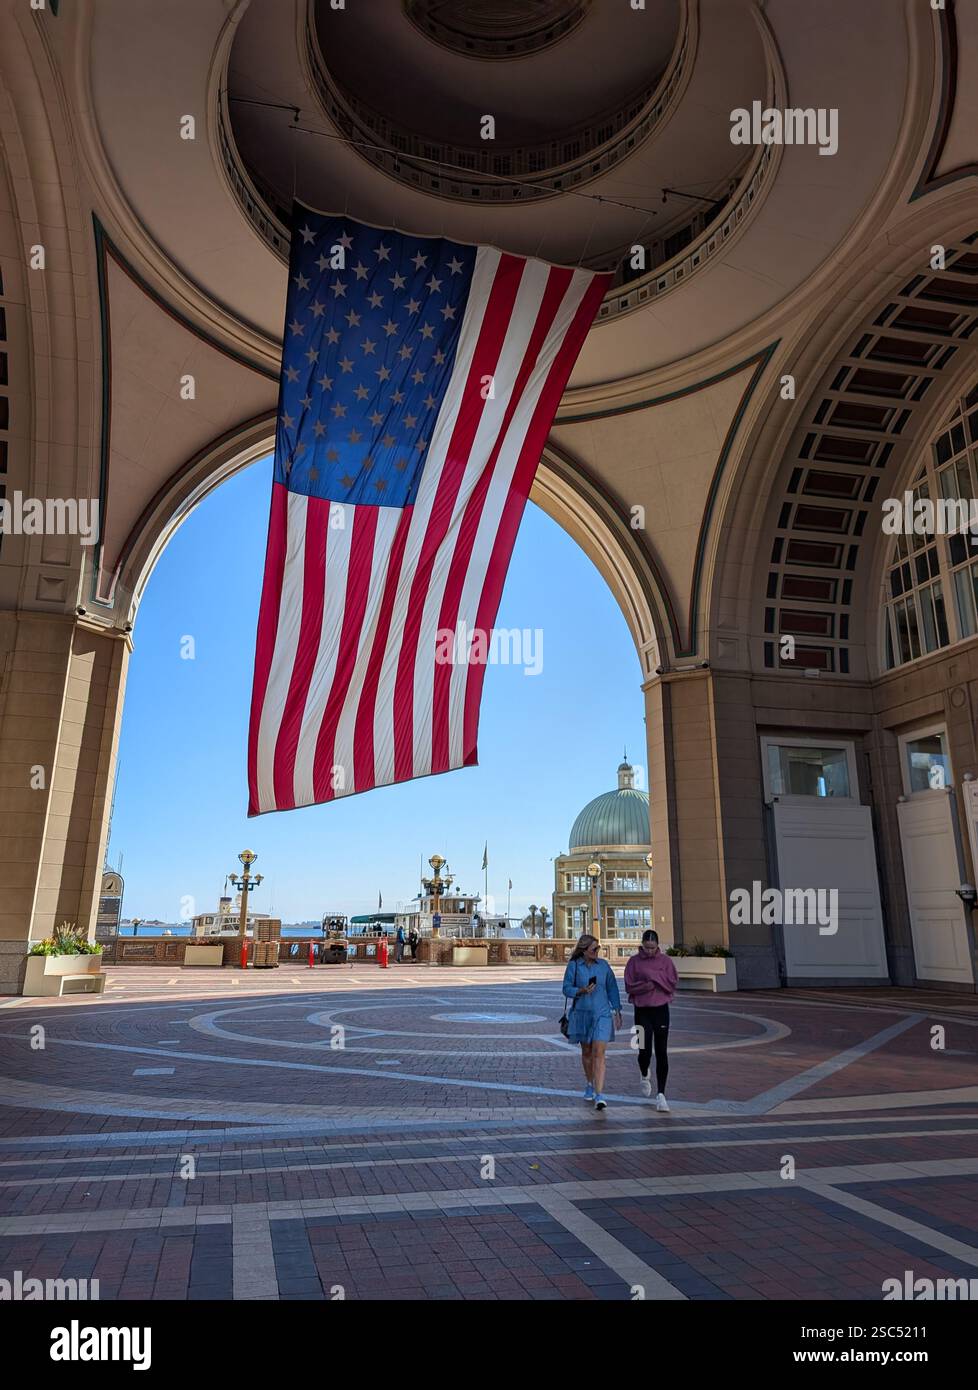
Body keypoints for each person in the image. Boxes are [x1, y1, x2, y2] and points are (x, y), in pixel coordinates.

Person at [561, 934, 622, 1111]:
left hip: (602, 1014)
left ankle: (599, 1094)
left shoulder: (603, 966)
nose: (597, 952)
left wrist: (617, 1009)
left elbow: (612, 987)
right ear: (584, 950)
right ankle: (589, 1082)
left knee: (599, 1052)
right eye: (594, 949)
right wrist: (580, 990)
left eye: (598, 948)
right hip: (581, 1014)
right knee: (587, 1052)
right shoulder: (574, 966)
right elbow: (565, 988)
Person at [624, 929, 678, 1112]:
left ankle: (661, 1094)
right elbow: (629, 986)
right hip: (642, 1011)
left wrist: (656, 979)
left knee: (661, 1051)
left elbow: (671, 982)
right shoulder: (634, 962)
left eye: (653, 948)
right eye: (646, 948)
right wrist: (648, 984)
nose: (649, 951)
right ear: (642, 945)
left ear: (657, 946)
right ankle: (644, 1071)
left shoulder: (666, 962)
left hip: (661, 1010)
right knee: (644, 1049)